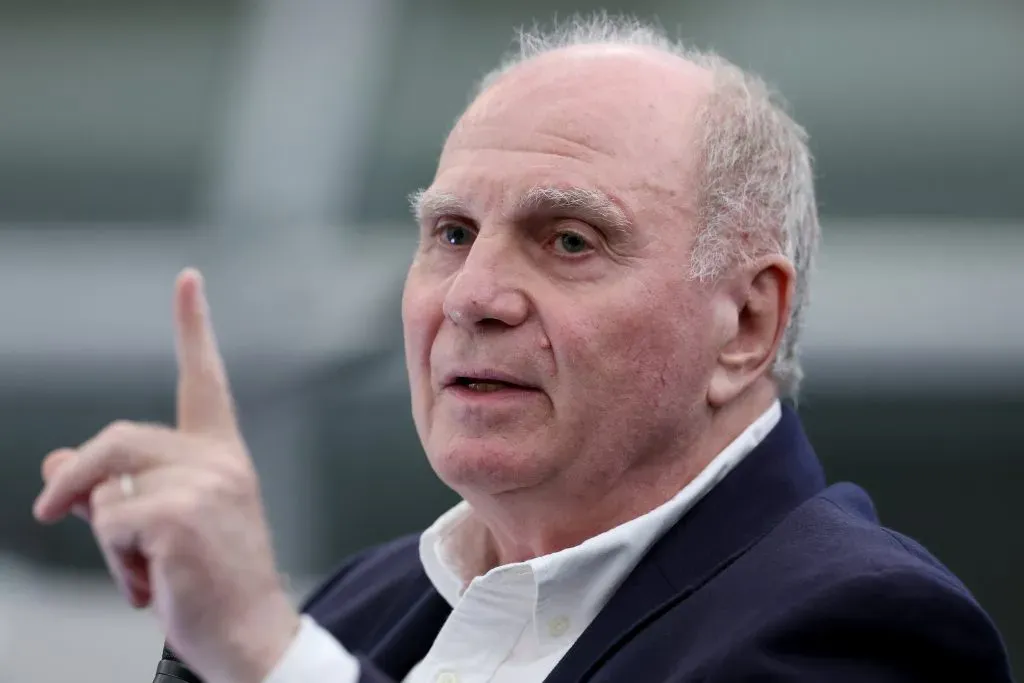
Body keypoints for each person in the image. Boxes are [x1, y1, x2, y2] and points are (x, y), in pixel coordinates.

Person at [32, 15, 1012, 683]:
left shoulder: (861, 628)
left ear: (745, 324)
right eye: (452, 232)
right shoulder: (363, 603)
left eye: (569, 240)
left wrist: (263, 651)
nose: (472, 295)